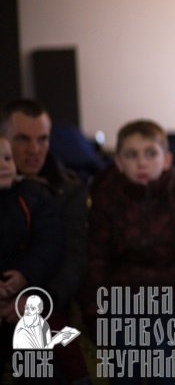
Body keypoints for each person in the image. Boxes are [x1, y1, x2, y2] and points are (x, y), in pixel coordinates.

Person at [81, 119, 175, 384]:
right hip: (120, 298)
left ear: (166, 160)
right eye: (132, 155)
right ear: (118, 162)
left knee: (163, 360)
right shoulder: (106, 200)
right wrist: (95, 314)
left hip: (168, 296)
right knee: (124, 360)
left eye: (150, 154)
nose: (142, 163)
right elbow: (95, 261)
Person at [1, 99, 90, 383]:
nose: (35, 150)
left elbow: (73, 261)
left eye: (42, 139)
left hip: (44, 301)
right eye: (22, 139)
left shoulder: (68, 189)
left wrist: (35, 299)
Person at [0, 133, 65, 374]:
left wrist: (25, 275)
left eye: (7, 158)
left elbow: (50, 245)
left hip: (27, 293)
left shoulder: (34, 195)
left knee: (38, 362)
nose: (3, 165)